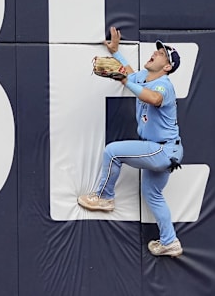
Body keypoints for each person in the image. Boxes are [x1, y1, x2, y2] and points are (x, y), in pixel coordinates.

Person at [77, 26, 184, 257]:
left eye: (162, 54)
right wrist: (115, 53)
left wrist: (126, 81)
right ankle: (170, 241)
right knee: (152, 194)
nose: (155, 53)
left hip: (163, 150)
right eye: (157, 50)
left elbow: (153, 98)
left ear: (167, 67)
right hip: (168, 149)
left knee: (113, 152)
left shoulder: (164, 84)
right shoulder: (143, 78)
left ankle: (104, 197)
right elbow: (128, 73)